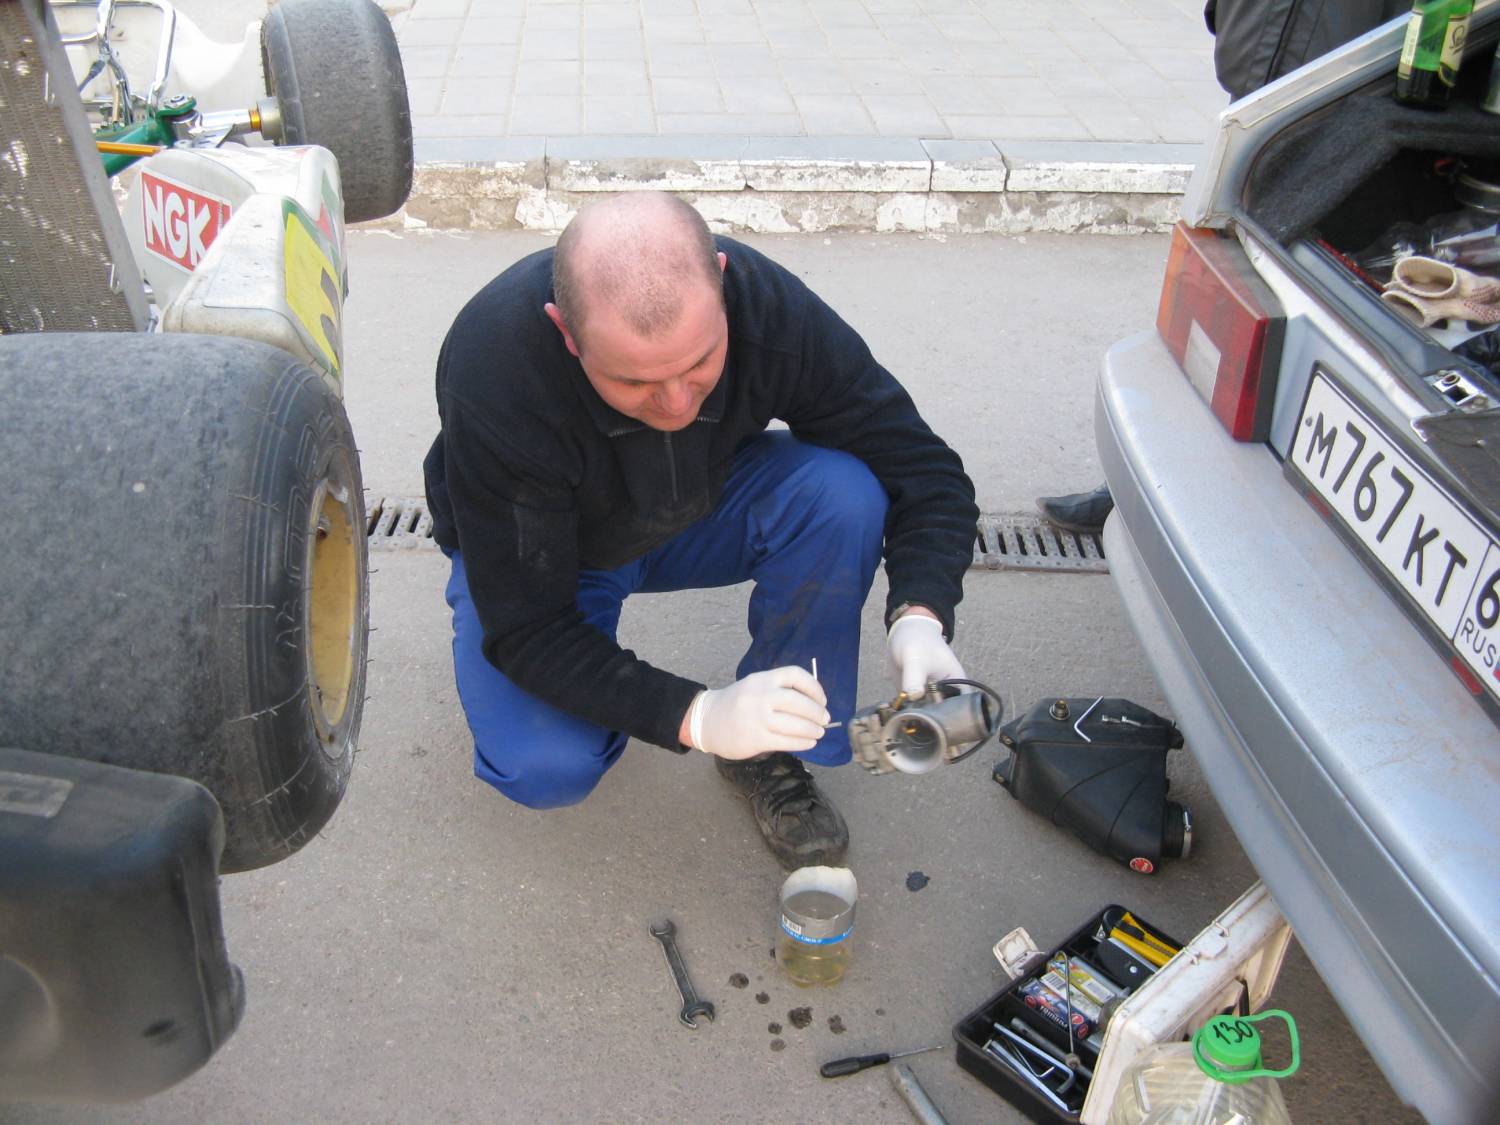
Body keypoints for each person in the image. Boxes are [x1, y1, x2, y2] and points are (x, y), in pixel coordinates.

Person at [423, 192, 978, 870]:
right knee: (545, 764)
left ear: (720, 282)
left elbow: (920, 466)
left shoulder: (767, 308)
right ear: (566, 333)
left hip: (696, 506)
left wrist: (921, 613)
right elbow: (528, 628)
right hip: (547, 550)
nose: (676, 404)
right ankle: (694, 718)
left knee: (843, 495)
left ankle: (772, 744)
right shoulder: (496, 363)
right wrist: (699, 715)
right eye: (633, 381)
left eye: (700, 364)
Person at [1036, 1, 1407, 536]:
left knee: (1306, 343)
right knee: (1211, 329)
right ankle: (1145, 490)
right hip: (1261, 112)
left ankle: (1253, 517)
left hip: (1350, 127)